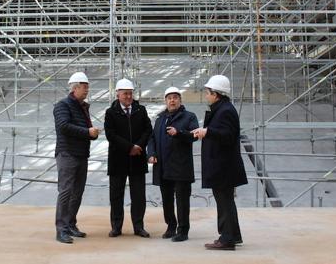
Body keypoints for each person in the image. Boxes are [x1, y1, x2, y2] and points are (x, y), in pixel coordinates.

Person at [192, 75, 247, 251]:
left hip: (224, 167)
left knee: (225, 203)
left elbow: (228, 136)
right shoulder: (222, 109)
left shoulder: (225, 111)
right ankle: (232, 235)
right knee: (225, 202)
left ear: (216, 94)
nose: (206, 95)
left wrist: (207, 131)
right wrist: (207, 131)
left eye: (208, 92)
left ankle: (227, 239)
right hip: (222, 166)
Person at [53, 71, 101, 244]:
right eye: (84, 87)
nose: (87, 90)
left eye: (87, 87)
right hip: (67, 154)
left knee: (77, 193)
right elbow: (64, 126)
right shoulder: (62, 106)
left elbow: (84, 129)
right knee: (66, 191)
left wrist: (92, 134)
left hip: (80, 154)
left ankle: (71, 224)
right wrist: (88, 132)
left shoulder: (83, 107)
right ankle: (61, 230)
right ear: (75, 88)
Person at [147, 87, 199, 242]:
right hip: (163, 165)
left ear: (180, 100)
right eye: (169, 98)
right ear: (165, 101)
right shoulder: (160, 119)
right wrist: (151, 154)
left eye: (175, 97)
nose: (172, 100)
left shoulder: (189, 117)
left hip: (181, 166)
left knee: (182, 200)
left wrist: (179, 133)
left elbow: (195, 135)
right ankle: (170, 226)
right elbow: (152, 139)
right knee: (167, 199)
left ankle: (183, 230)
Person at [104, 78, 153, 238]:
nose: (128, 97)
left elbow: (148, 130)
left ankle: (138, 226)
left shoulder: (141, 110)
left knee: (139, 196)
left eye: (130, 93)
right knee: (116, 195)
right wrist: (129, 147)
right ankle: (116, 226)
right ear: (118, 94)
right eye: (125, 94)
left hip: (137, 158)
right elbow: (110, 134)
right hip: (118, 160)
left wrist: (138, 146)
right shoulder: (111, 113)